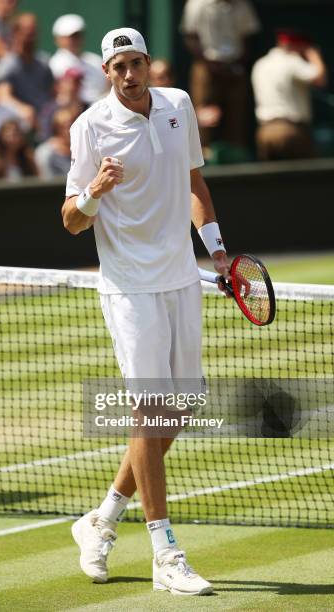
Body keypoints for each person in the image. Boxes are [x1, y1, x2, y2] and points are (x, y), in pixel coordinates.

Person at [62, 27, 229, 596]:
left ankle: (102, 519)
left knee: (175, 414)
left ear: (150, 64)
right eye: (118, 67)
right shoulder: (88, 127)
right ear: (107, 73)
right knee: (149, 410)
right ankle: (165, 551)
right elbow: (71, 220)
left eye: (137, 63)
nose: (130, 74)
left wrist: (218, 251)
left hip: (181, 277)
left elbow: (192, 181)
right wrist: (94, 191)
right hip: (129, 286)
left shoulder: (179, 104)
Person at [180, 0, 260, 148]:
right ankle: (203, 154)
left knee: (237, 115)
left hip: (235, 66)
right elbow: (191, 36)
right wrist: (209, 64)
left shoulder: (242, 5)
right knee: (204, 114)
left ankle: (235, 153)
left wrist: (238, 64)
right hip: (206, 65)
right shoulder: (197, 4)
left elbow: (248, 36)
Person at [251, 30, 327, 161]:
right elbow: (320, 79)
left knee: (269, 180)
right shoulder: (292, 61)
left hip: (264, 131)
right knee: (306, 179)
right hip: (290, 131)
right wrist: (314, 55)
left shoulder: (260, 63)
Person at [0, 13, 54, 130]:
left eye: (33, 32)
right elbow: (3, 96)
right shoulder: (8, 65)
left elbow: (53, 92)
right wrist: (23, 109)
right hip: (21, 124)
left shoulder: (44, 62)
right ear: (15, 33)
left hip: (45, 120)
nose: (30, 36)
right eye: (26, 31)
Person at [49, 14, 108, 105]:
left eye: (78, 35)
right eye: (70, 36)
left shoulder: (95, 60)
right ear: (58, 39)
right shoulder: (54, 64)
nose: (74, 40)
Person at [38, 66, 87, 141]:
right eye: (71, 82)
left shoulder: (86, 107)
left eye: (78, 82)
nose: (74, 86)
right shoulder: (49, 108)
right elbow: (45, 134)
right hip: (58, 147)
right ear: (61, 84)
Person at [35, 108, 76, 179]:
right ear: (56, 128)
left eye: (73, 125)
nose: (70, 130)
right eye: (65, 126)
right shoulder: (46, 152)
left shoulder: (81, 148)